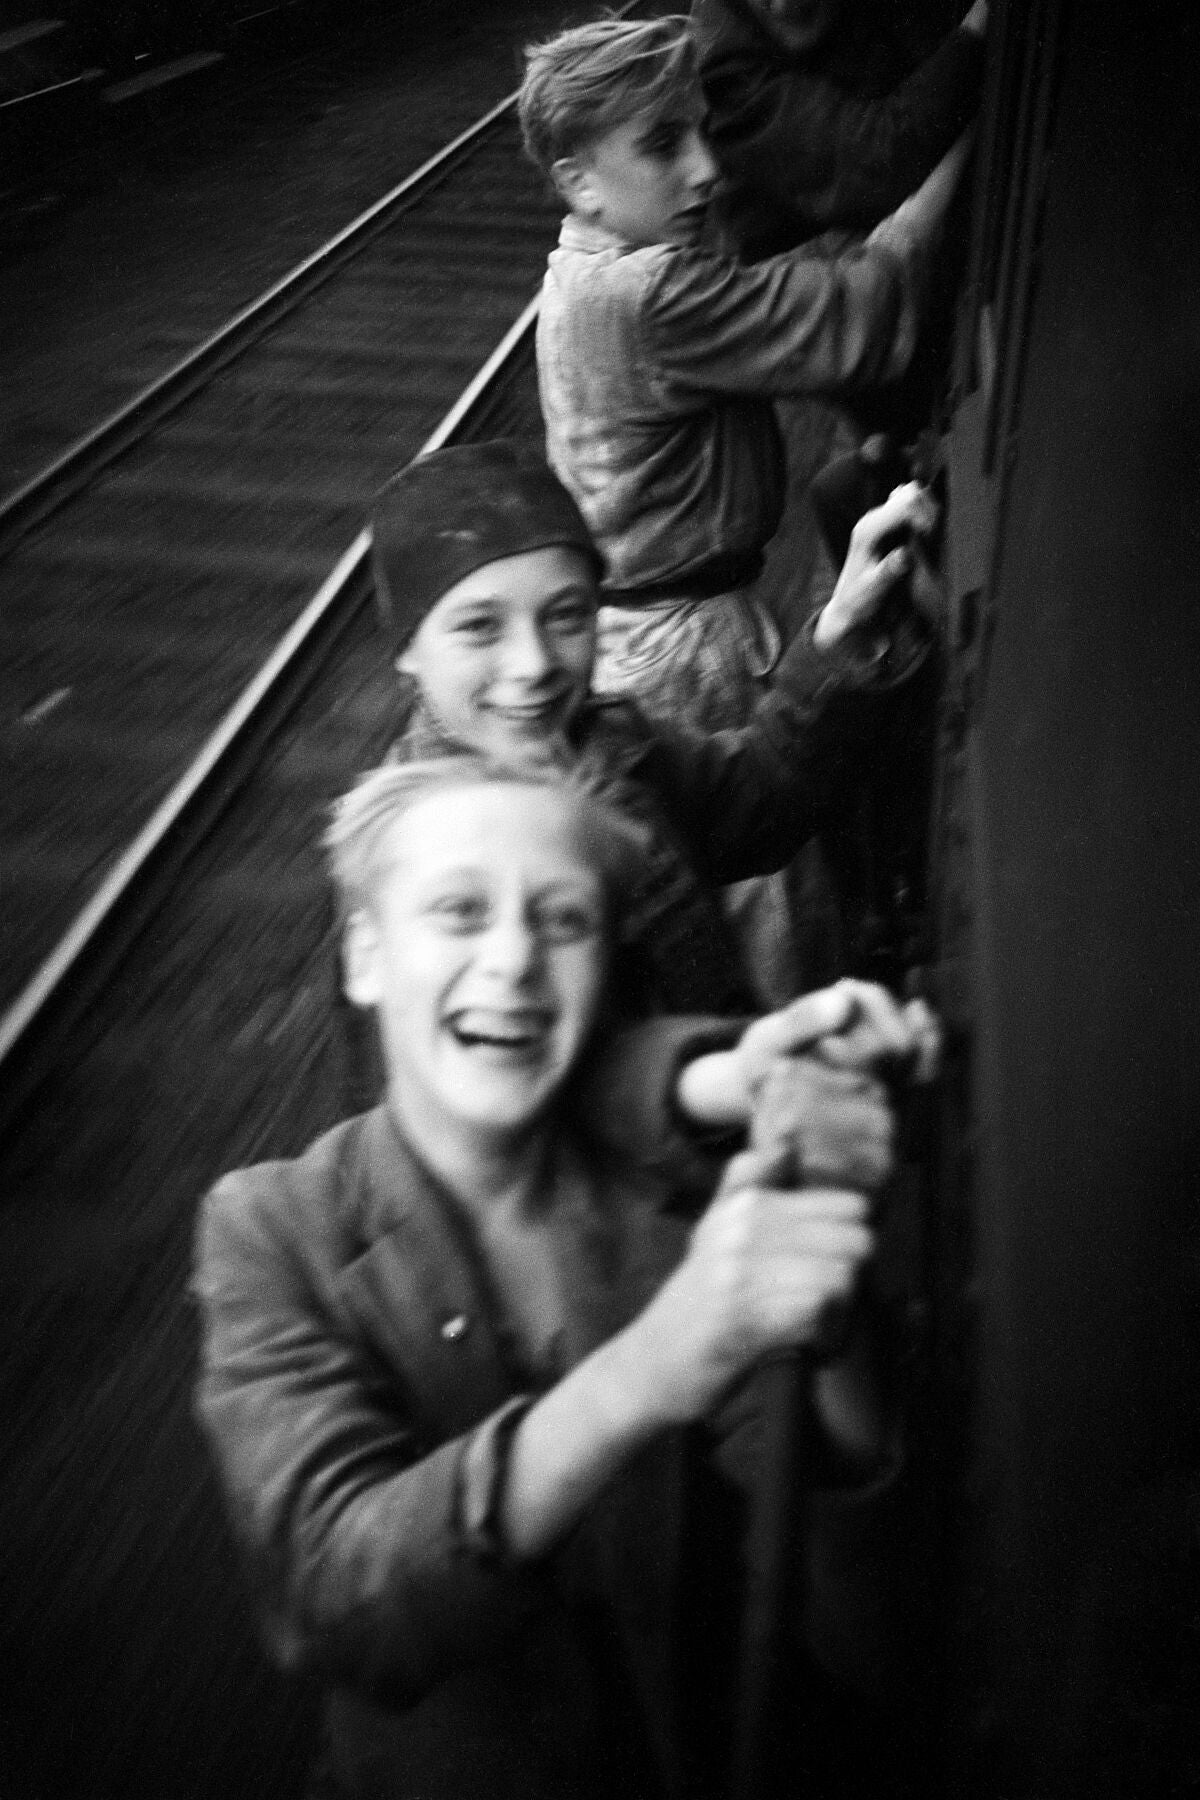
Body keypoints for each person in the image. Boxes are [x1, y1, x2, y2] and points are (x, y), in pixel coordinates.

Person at [193, 757, 926, 1800]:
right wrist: (662, 1359)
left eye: (565, 920)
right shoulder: (271, 1228)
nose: (514, 963)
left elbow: (865, 1629)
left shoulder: (679, 1199)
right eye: (457, 910)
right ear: (365, 954)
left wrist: (833, 1298)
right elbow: (333, 1600)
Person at [360, 438, 936, 1034]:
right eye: (480, 627)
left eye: (567, 616)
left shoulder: (613, 746)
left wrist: (838, 632)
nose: (534, 664)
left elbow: (761, 796)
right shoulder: (403, 861)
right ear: (406, 648)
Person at [519, 12, 969, 736]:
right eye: (664, 146)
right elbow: (858, 314)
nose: (707, 168)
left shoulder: (580, 273)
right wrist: (956, 147)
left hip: (647, 634)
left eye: (701, 131)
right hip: (688, 658)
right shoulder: (647, 296)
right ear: (578, 181)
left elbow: (760, 294)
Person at [692, 0, 990, 259]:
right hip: (815, 284)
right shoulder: (724, 66)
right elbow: (878, 160)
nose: (783, 5)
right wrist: (984, 21)